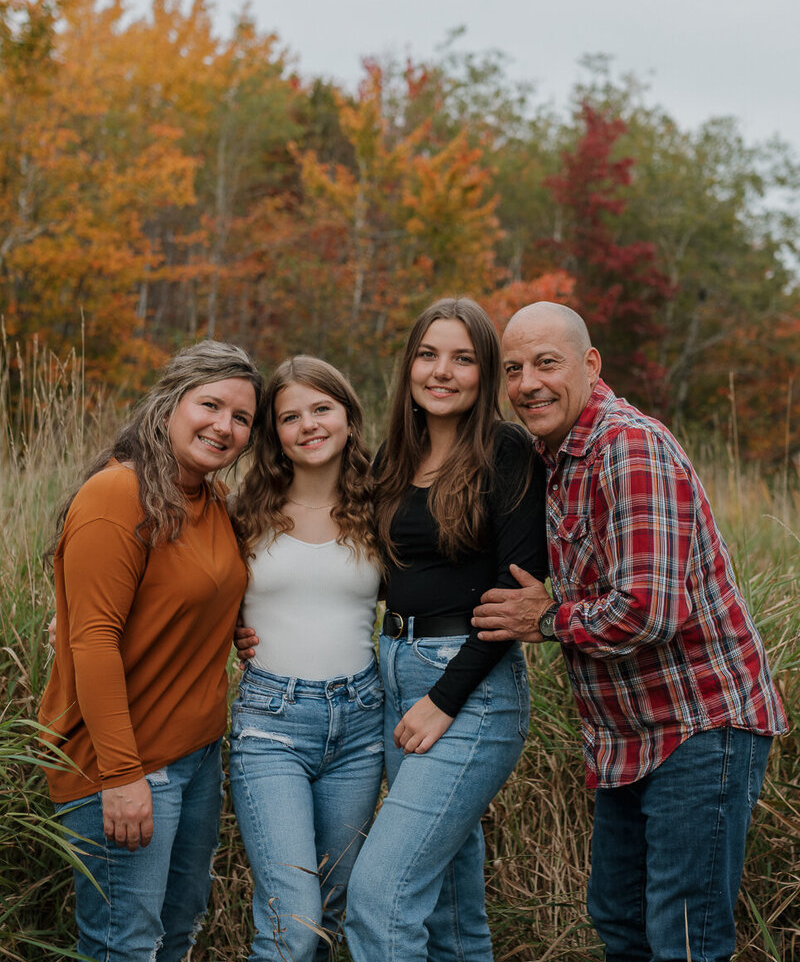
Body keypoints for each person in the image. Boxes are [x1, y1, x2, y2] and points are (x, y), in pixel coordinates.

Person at [472, 301, 788, 962]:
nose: (528, 382)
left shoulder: (626, 446)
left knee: (682, 938)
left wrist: (547, 617)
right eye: (515, 369)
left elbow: (649, 610)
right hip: (626, 736)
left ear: (590, 364)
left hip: (699, 724)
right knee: (620, 920)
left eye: (547, 363)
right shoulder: (552, 457)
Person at [39, 340, 266, 962]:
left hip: (193, 758)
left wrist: (233, 628)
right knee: (125, 944)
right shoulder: (118, 495)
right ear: (170, 403)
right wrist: (121, 775)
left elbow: (190, 595)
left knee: (178, 930)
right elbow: (92, 640)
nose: (224, 426)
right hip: (124, 761)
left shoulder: (211, 500)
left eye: (241, 418)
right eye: (211, 405)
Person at [343, 297, 549, 962]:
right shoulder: (391, 460)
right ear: (409, 366)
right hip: (395, 671)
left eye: (462, 359)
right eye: (429, 355)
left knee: (382, 894)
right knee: (453, 918)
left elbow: (512, 606)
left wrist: (442, 702)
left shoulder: (507, 450)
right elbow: (370, 577)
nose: (442, 371)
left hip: (469, 693)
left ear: (484, 372)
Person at [227, 356, 384, 962]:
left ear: (348, 416)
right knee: (291, 921)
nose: (308, 425)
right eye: (290, 417)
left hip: (361, 723)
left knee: (332, 910)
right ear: (275, 434)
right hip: (270, 723)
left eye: (321, 409)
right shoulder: (244, 513)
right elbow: (199, 594)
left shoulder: (382, 508)